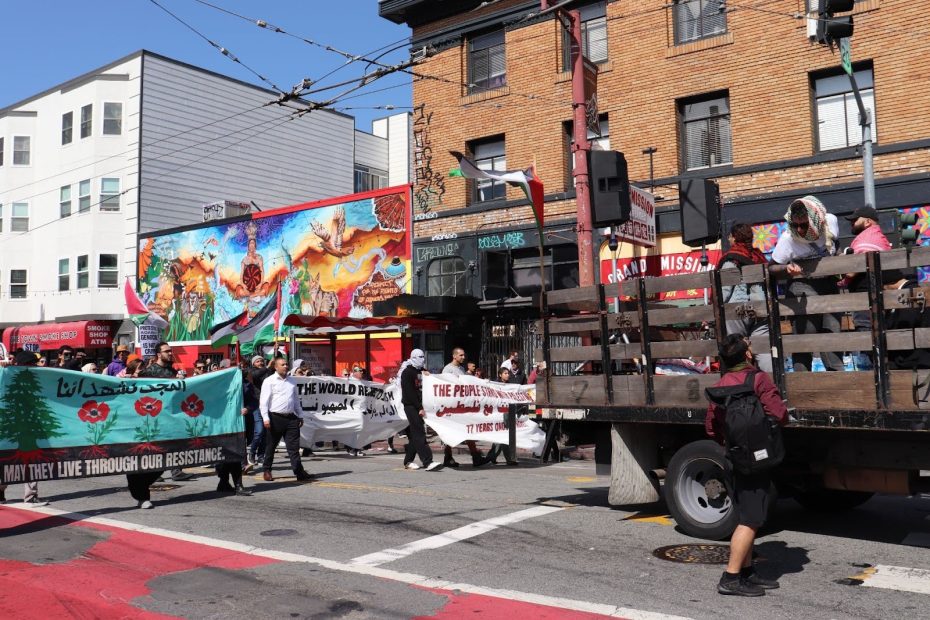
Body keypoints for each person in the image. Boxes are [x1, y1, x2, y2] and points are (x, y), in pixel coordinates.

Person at [706, 335, 788, 597]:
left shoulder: (720, 386)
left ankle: (747, 572)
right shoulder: (758, 379)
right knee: (751, 520)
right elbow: (779, 414)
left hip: (735, 457)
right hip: (758, 458)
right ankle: (730, 578)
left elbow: (711, 428)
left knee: (747, 514)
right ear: (748, 356)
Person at [770, 196, 844, 372]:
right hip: (802, 287)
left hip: (829, 285)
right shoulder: (788, 238)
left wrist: (840, 259)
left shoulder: (830, 222)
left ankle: (839, 382)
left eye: (804, 225)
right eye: (795, 225)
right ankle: (802, 383)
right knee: (805, 338)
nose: (799, 229)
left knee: (832, 333)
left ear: (816, 220)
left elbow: (836, 244)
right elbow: (771, 267)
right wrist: (786, 269)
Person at [718, 222, 773, 373]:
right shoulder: (758, 256)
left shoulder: (732, 259)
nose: (729, 239)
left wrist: (713, 310)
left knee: (736, 351)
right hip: (760, 309)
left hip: (737, 310)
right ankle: (770, 385)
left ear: (734, 238)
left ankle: (741, 385)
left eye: (730, 236)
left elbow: (725, 291)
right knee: (763, 351)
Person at [0, 351, 51, 506]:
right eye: (33, 363)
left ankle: (16, 493)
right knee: (25, 461)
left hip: (22, 427)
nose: (36, 365)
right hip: (19, 427)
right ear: (27, 364)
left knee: (17, 461)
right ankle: (30, 497)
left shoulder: (34, 378)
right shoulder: (7, 375)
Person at [140, 342, 192, 482]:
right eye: (166, 351)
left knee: (175, 440)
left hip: (170, 412)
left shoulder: (171, 371)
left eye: (170, 351)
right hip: (154, 414)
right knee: (157, 444)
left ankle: (176, 471)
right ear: (158, 354)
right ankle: (154, 472)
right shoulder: (149, 371)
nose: (170, 353)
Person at [260, 357, 313, 482]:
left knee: (293, 448)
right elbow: (264, 402)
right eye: (282, 364)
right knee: (271, 446)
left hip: (291, 418)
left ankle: (299, 472)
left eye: (286, 364)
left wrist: (300, 415)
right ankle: (267, 470)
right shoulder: (269, 381)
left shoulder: (292, 381)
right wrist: (266, 418)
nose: (285, 366)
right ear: (276, 367)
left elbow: (295, 399)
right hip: (275, 418)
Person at [440, 348, 489, 468]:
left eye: (463, 355)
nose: (463, 357)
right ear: (454, 356)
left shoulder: (461, 369)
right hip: (452, 406)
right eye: (461, 355)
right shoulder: (448, 369)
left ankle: (474, 456)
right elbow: (446, 387)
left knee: (467, 430)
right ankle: (449, 456)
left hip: (462, 405)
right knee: (452, 431)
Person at [400, 349, 442, 471]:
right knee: (419, 433)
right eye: (419, 356)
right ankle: (427, 461)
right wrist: (419, 408)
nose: (422, 359)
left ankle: (408, 461)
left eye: (423, 356)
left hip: (420, 405)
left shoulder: (423, 371)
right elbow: (410, 393)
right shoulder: (407, 373)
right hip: (411, 406)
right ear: (413, 358)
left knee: (415, 435)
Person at [248, 355, 272, 465]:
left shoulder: (267, 371)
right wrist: (267, 367)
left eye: (262, 361)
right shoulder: (251, 372)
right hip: (257, 405)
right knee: (259, 431)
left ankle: (261, 455)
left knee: (266, 433)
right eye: (258, 361)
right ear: (253, 364)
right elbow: (256, 375)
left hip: (268, 405)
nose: (260, 363)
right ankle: (252, 453)